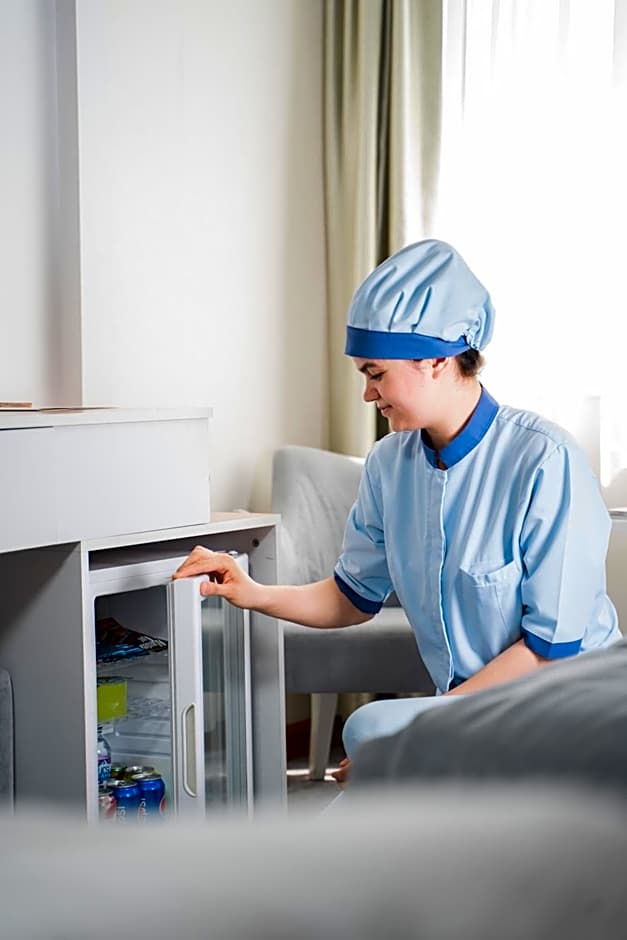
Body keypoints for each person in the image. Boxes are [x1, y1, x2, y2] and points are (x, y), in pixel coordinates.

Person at [172, 239, 621, 785]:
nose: (367, 394)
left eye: (376, 373)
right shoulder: (389, 464)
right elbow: (351, 597)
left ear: (436, 360)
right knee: (371, 738)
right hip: (473, 712)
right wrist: (253, 592)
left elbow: (550, 650)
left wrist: (422, 735)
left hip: (569, 707)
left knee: (373, 733)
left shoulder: (546, 459)